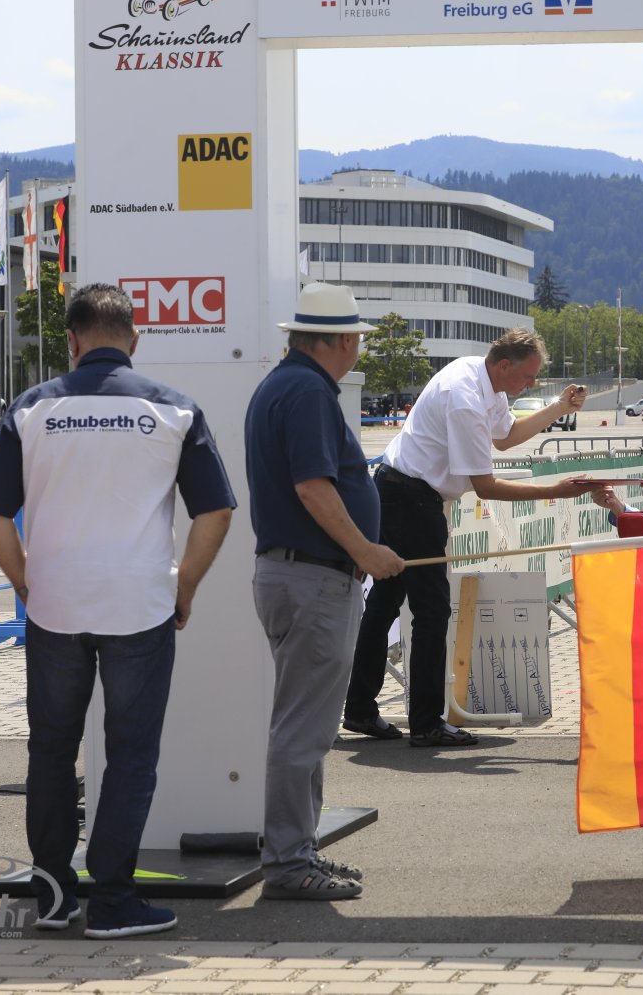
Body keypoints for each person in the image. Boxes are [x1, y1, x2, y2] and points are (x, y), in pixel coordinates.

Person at [0, 283, 235, 939]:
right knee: (130, 756)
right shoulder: (173, 408)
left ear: (72, 340)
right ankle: (113, 903)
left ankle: (54, 899)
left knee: (52, 752)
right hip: (140, 603)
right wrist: (186, 584)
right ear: (134, 339)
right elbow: (217, 510)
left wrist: (25, 580)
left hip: (55, 604)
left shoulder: (32, 408)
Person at [344, 327, 591, 747]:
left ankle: (361, 708)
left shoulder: (481, 377)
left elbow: (506, 437)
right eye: (527, 376)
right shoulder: (465, 398)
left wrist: (558, 408)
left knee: (386, 601)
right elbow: (486, 486)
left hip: (402, 489)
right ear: (505, 365)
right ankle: (425, 723)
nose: (531, 383)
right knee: (431, 609)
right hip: (411, 498)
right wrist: (555, 490)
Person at [245, 281, 404, 901]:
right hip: (314, 578)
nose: (359, 347)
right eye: (357, 338)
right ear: (342, 341)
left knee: (305, 725)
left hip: (298, 575)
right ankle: (289, 862)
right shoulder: (308, 391)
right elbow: (314, 487)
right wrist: (364, 550)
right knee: (303, 730)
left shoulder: (285, 385)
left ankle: (298, 850)